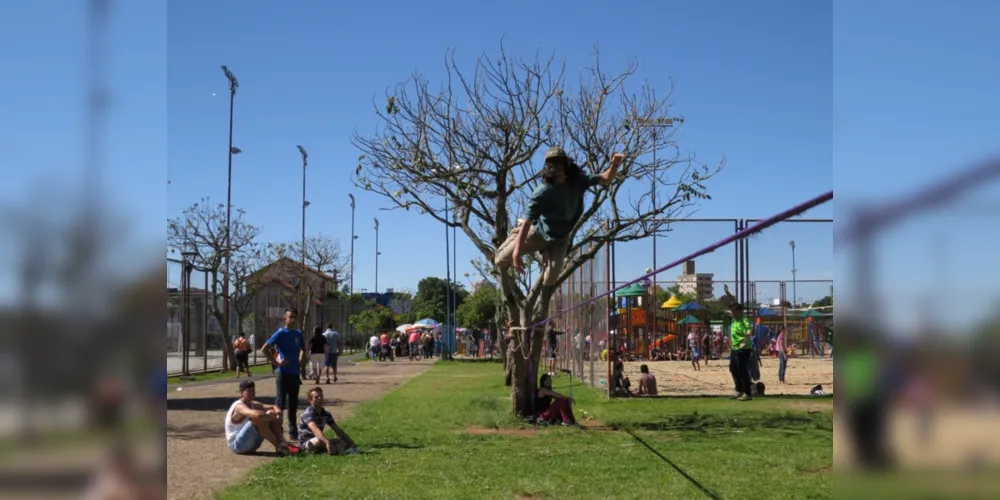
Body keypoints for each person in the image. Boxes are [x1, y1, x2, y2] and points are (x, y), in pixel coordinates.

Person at [494, 147, 624, 285]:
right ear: (548, 168)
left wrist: (615, 164)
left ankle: (544, 257)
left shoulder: (578, 180)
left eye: (561, 163)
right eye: (554, 164)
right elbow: (527, 221)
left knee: (550, 279)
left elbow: (606, 178)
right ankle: (516, 233)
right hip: (539, 233)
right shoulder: (542, 192)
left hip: (560, 238)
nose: (558, 167)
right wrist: (516, 252)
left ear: (567, 164)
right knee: (500, 261)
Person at [261, 308, 307, 439]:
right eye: (290, 317)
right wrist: (276, 362)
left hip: (295, 373)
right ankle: (278, 430)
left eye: (294, 317)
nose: (292, 319)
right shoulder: (280, 333)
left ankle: (293, 432)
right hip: (283, 373)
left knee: (293, 404)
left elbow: (303, 349)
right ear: (285, 318)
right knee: (280, 403)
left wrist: (301, 358)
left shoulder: (298, 334)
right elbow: (264, 349)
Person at [224, 380, 298, 456]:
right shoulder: (239, 406)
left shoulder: (253, 404)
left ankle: (283, 443)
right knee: (258, 418)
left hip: (250, 444)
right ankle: (280, 447)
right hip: (237, 446)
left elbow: (274, 407)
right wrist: (275, 419)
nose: (252, 393)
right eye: (249, 391)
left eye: (253, 390)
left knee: (270, 413)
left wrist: (279, 415)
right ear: (241, 393)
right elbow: (257, 415)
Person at [298, 387, 357, 455]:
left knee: (344, 442)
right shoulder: (308, 413)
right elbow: (315, 430)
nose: (319, 398)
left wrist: (351, 442)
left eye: (321, 396)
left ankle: (332, 450)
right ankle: (335, 450)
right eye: (316, 397)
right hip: (306, 443)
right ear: (310, 400)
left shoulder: (326, 413)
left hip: (320, 440)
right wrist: (327, 442)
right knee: (319, 440)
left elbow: (337, 429)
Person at [722, 285, 754, 401]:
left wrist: (745, 340)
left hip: (744, 348)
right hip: (735, 348)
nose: (731, 313)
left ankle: (747, 393)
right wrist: (727, 292)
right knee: (733, 369)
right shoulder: (735, 318)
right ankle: (738, 390)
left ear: (739, 311)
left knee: (742, 370)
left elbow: (749, 330)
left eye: (733, 311)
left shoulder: (743, 319)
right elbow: (733, 302)